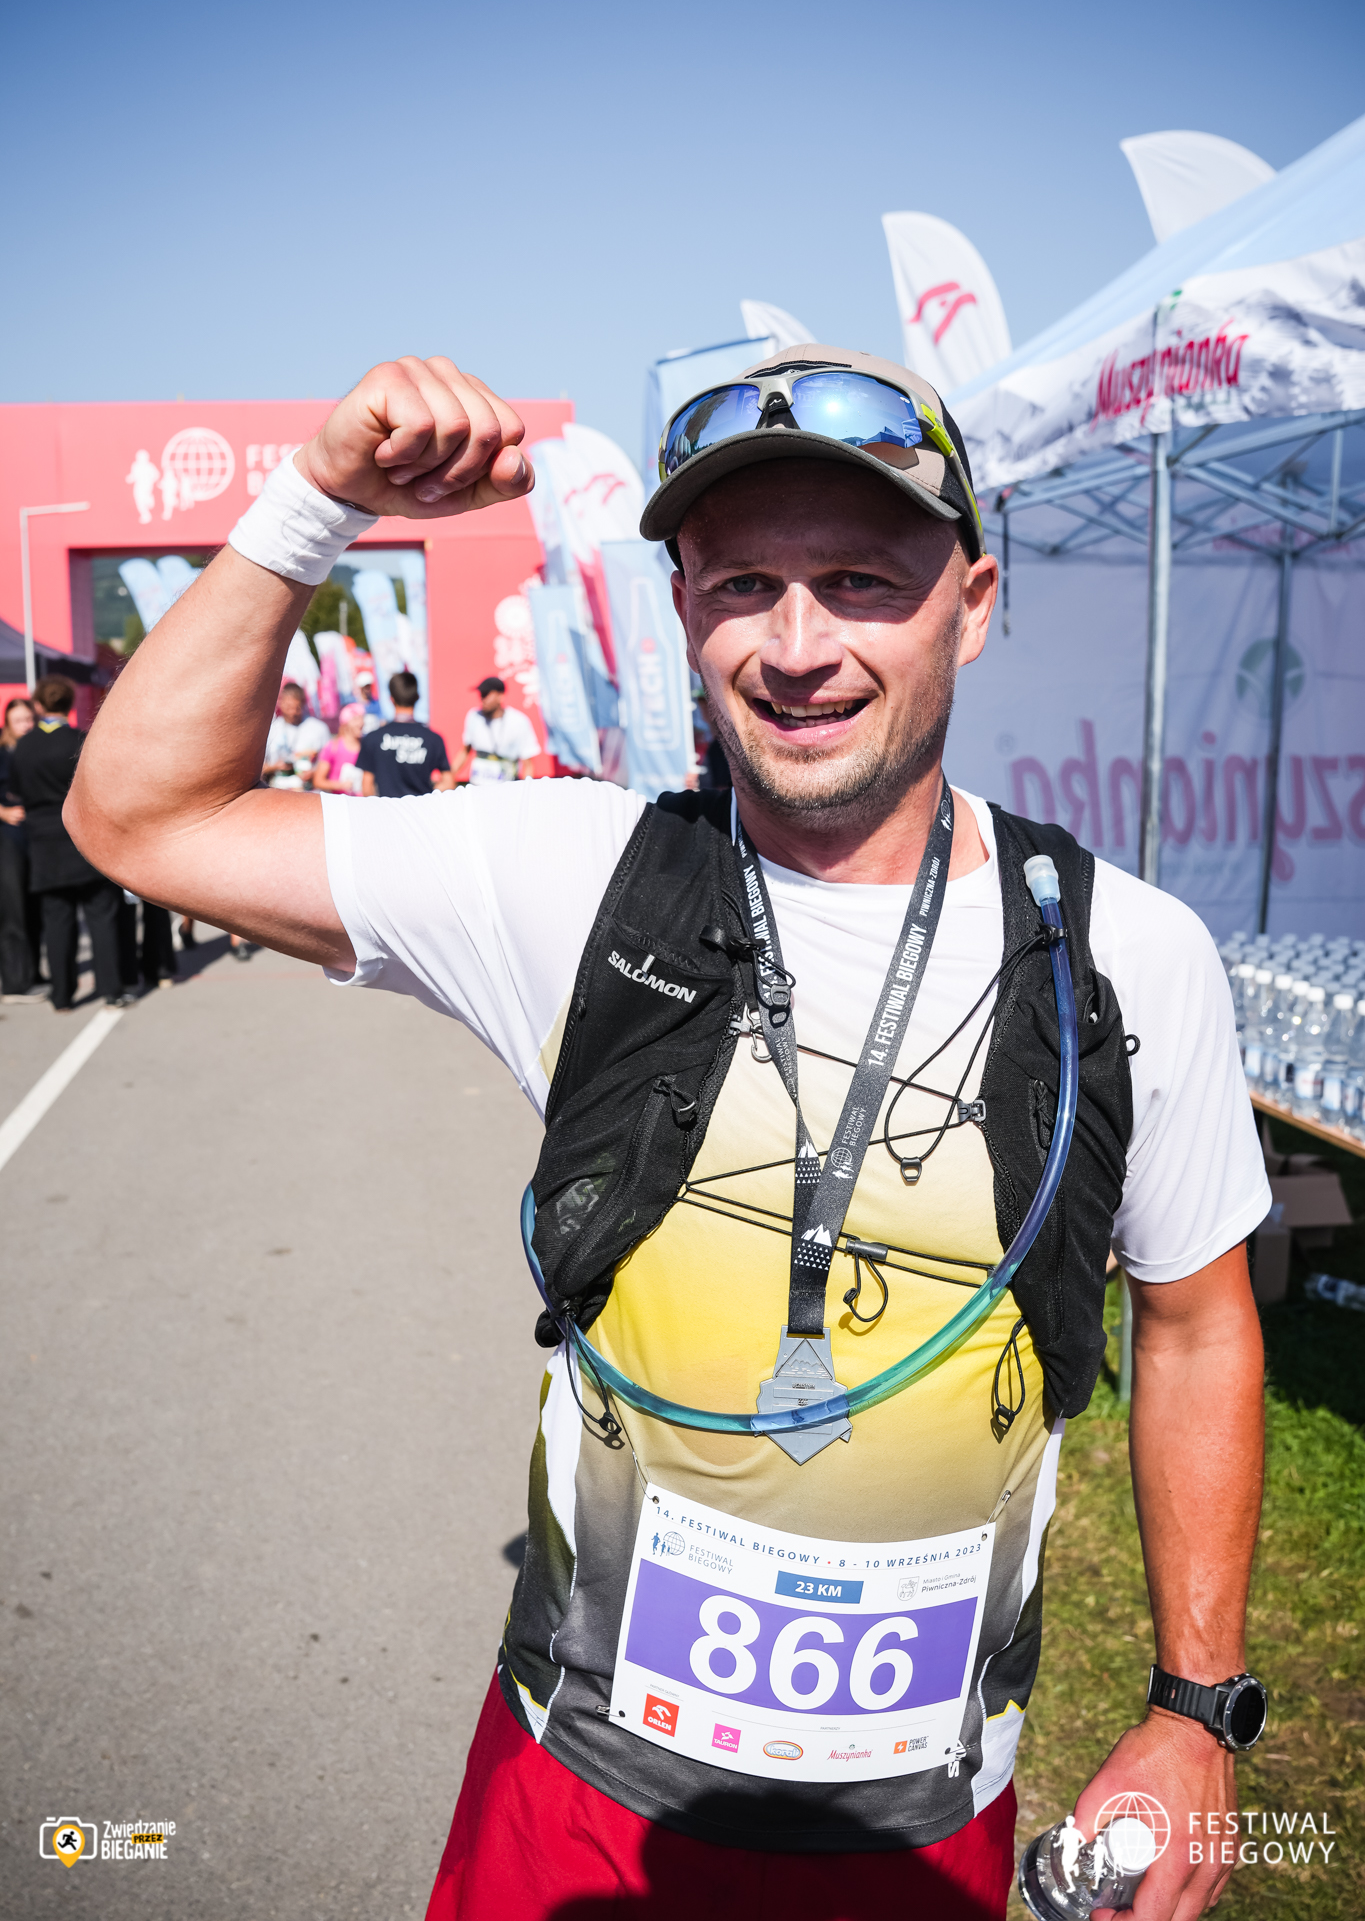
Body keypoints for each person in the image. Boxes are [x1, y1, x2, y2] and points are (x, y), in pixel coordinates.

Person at [67, 353, 1272, 1921]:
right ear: (685, 607)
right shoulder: (574, 874)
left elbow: (1195, 1321)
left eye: (860, 583)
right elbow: (141, 816)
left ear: (971, 606)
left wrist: (1193, 1708)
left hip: (924, 1821)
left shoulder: (1129, 954)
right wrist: (319, 502)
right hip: (571, 1797)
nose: (796, 648)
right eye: (742, 585)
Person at [12, 676, 129, 1010]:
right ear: (70, 703)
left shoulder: (24, 746)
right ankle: (111, 989)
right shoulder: (80, 740)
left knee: (57, 921)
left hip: (44, 843)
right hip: (83, 837)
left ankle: (62, 995)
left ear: (38, 705)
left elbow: (17, 790)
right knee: (101, 917)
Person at [0, 696, 46, 1000]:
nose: (26, 725)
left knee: (34, 908)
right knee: (13, 910)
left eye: (29, 719)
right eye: (19, 721)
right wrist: (2, 812)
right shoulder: (2, 752)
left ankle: (33, 973)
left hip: (34, 837)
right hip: (7, 839)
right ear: (8, 724)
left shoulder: (36, 750)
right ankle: (16, 982)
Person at [357, 672, 452, 796]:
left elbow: (367, 787)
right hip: (420, 807)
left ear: (391, 699)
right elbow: (448, 783)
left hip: (387, 807)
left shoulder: (373, 738)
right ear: (417, 697)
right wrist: (427, 796)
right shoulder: (433, 739)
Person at [461, 675, 540, 783]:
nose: (482, 699)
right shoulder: (474, 716)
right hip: (477, 788)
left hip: (507, 789)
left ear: (500, 696)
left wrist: (526, 789)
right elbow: (464, 752)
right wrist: (449, 776)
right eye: (481, 694)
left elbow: (528, 764)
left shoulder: (519, 721)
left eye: (486, 694)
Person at [262, 682, 328, 788]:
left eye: (297, 708)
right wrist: (274, 767)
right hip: (277, 788)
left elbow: (329, 761)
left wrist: (314, 772)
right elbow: (258, 768)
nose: (292, 712)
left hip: (308, 790)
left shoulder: (319, 728)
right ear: (280, 703)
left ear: (303, 704)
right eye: (289, 707)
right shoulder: (271, 729)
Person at [311, 701, 368, 794]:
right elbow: (318, 781)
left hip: (362, 801)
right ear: (345, 722)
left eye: (362, 718)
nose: (361, 723)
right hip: (339, 799)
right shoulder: (333, 747)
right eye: (356, 719)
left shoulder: (367, 745)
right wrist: (341, 785)